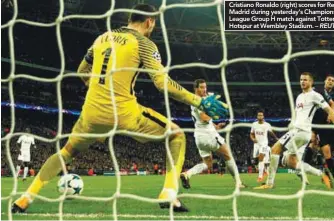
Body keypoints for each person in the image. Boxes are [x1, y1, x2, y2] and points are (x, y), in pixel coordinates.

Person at [12, 4, 228, 213]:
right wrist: (199, 102)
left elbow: (81, 71)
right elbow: (163, 84)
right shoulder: (144, 43)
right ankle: (168, 193)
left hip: (90, 113)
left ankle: (25, 197)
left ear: (129, 20)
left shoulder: (101, 38)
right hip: (124, 113)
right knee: (177, 135)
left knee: (66, 152)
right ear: (150, 21)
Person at [254, 72, 334, 190]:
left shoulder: (315, 95)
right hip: (298, 130)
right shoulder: (299, 97)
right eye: (301, 80)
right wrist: (292, 123)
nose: (302, 82)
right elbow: (296, 114)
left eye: (305, 80)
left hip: (301, 131)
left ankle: (269, 183)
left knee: (275, 149)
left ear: (311, 82)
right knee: (291, 162)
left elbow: (330, 110)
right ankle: (321, 174)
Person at [180, 79, 245, 190]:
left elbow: (203, 122)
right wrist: (214, 113)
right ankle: (238, 183)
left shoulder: (194, 100)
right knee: (228, 156)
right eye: (201, 87)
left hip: (199, 137)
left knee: (208, 164)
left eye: (205, 87)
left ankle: (187, 174)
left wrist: (216, 126)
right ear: (196, 89)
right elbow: (204, 118)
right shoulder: (200, 101)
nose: (204, 89)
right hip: (209, 136)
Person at [250, 111, 278, 182]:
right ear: (257, 116)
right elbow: (251, 134)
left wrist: (276, 138)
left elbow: (271, 132)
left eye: (261, 115)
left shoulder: (267, 125)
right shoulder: (254, 124)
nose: (260, 117)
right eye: (259, 115)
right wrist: (253, 139)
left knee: (261, 158)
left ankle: (260, 176)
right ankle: (264, 170)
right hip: (256, 144)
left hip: (264, 143)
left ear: (263, 116)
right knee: (256, 159)